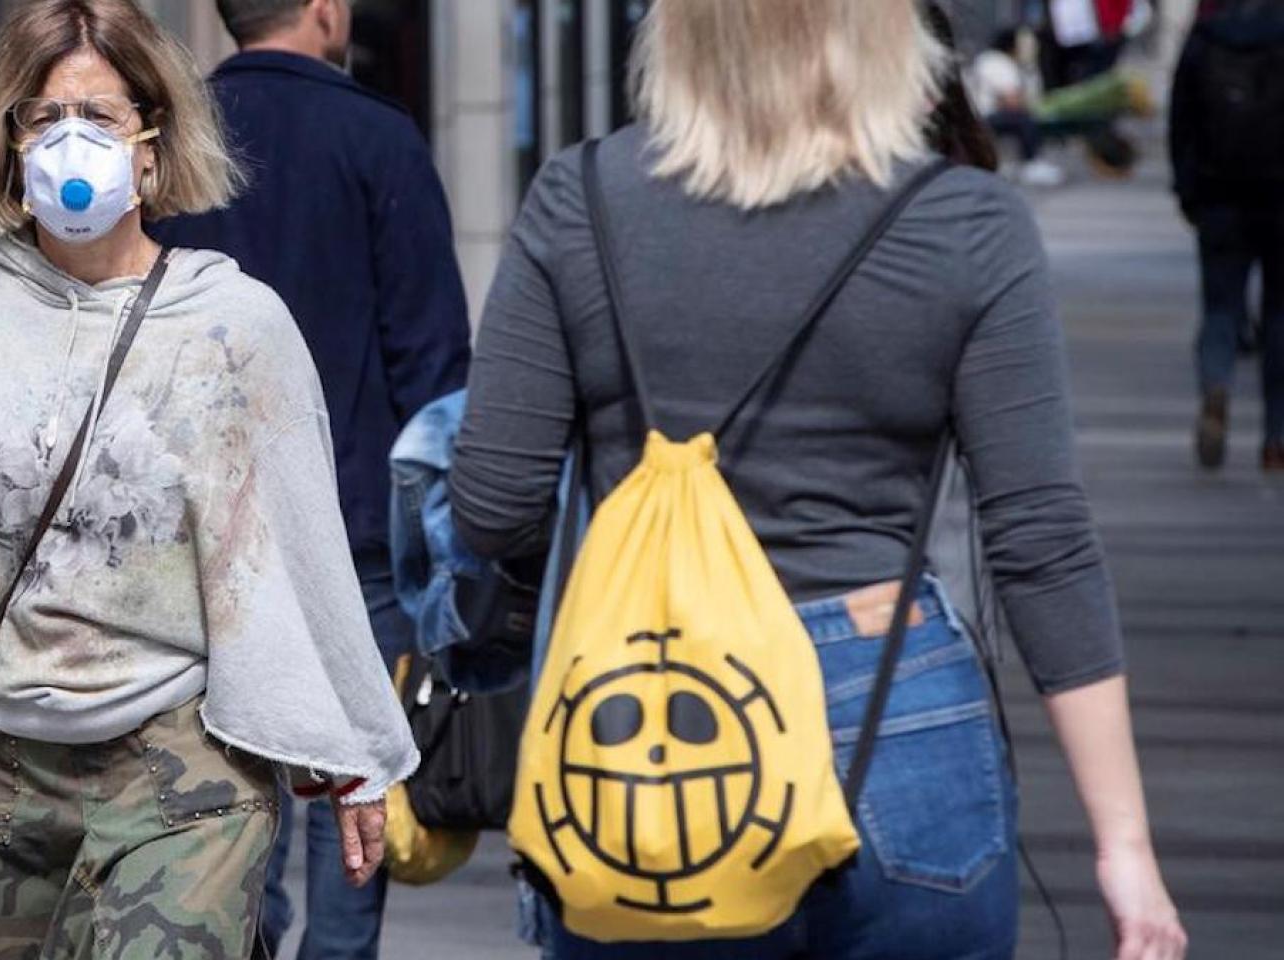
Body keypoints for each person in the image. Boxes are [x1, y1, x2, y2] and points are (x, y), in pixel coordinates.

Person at [449, 1, 1187, 957]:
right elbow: (1041, 545)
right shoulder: (966, 221)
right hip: (897, 696)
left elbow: (494, 506)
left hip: (654, 714)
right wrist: (1124, 847)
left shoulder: (578, 199)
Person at [0, 2, 417, 955]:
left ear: (152, 146)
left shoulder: (236, 326)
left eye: (101, 118)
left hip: (180, 777)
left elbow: (299, 554)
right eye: (43, 118)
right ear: (10, 148)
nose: (72, 142)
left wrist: (354, 755)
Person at [155, 2, 470, 957]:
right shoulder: (378, 138)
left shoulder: (176, 139)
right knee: (354, 792)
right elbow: (433, 365)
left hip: (202, 529)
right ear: (327, 11)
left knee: (231, 785)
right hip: (354, 526)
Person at [1170, 0, 1284, 471]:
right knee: (1279, 315)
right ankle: (1277, 437)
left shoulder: (1206, 37)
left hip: (1218, 197)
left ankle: (1216, 384)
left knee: (1220, 308)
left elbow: (1181, 122)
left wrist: (1187, 190)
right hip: (1280, 199)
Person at [969, 28, 1066, 187]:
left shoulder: (986, 59)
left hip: (980, 115)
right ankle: (1031, 163)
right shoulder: (999, 62)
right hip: (988, 116)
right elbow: (1012, 100)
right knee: (1025, 118)